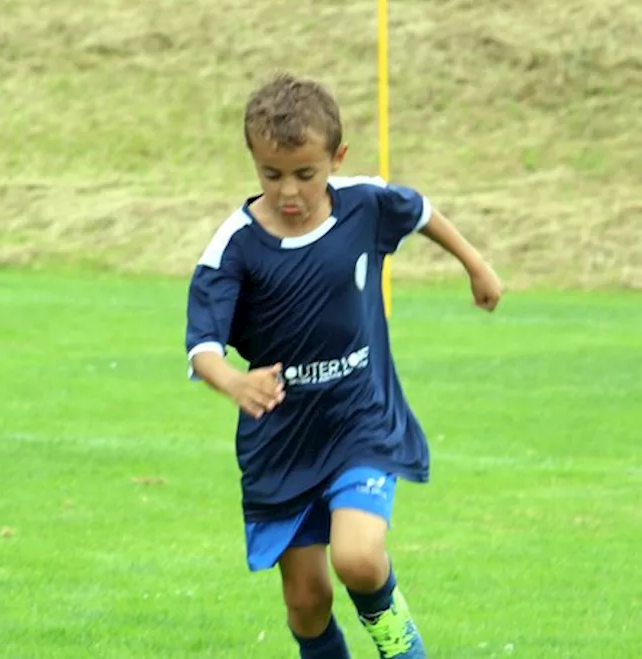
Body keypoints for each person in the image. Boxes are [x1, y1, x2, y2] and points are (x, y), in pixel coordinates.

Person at [184, 74, 503, 659]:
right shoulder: (234, 246)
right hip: (281, 442)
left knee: (357, 558)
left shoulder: (363, 203)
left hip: (361, 419)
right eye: (271, 174)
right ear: (254, 162)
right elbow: (202, 345)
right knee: (307, 601)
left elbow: (420, 210)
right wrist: (234, 380)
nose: (289, 191)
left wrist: (475, 264)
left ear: (336, 158)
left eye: (306, 174)